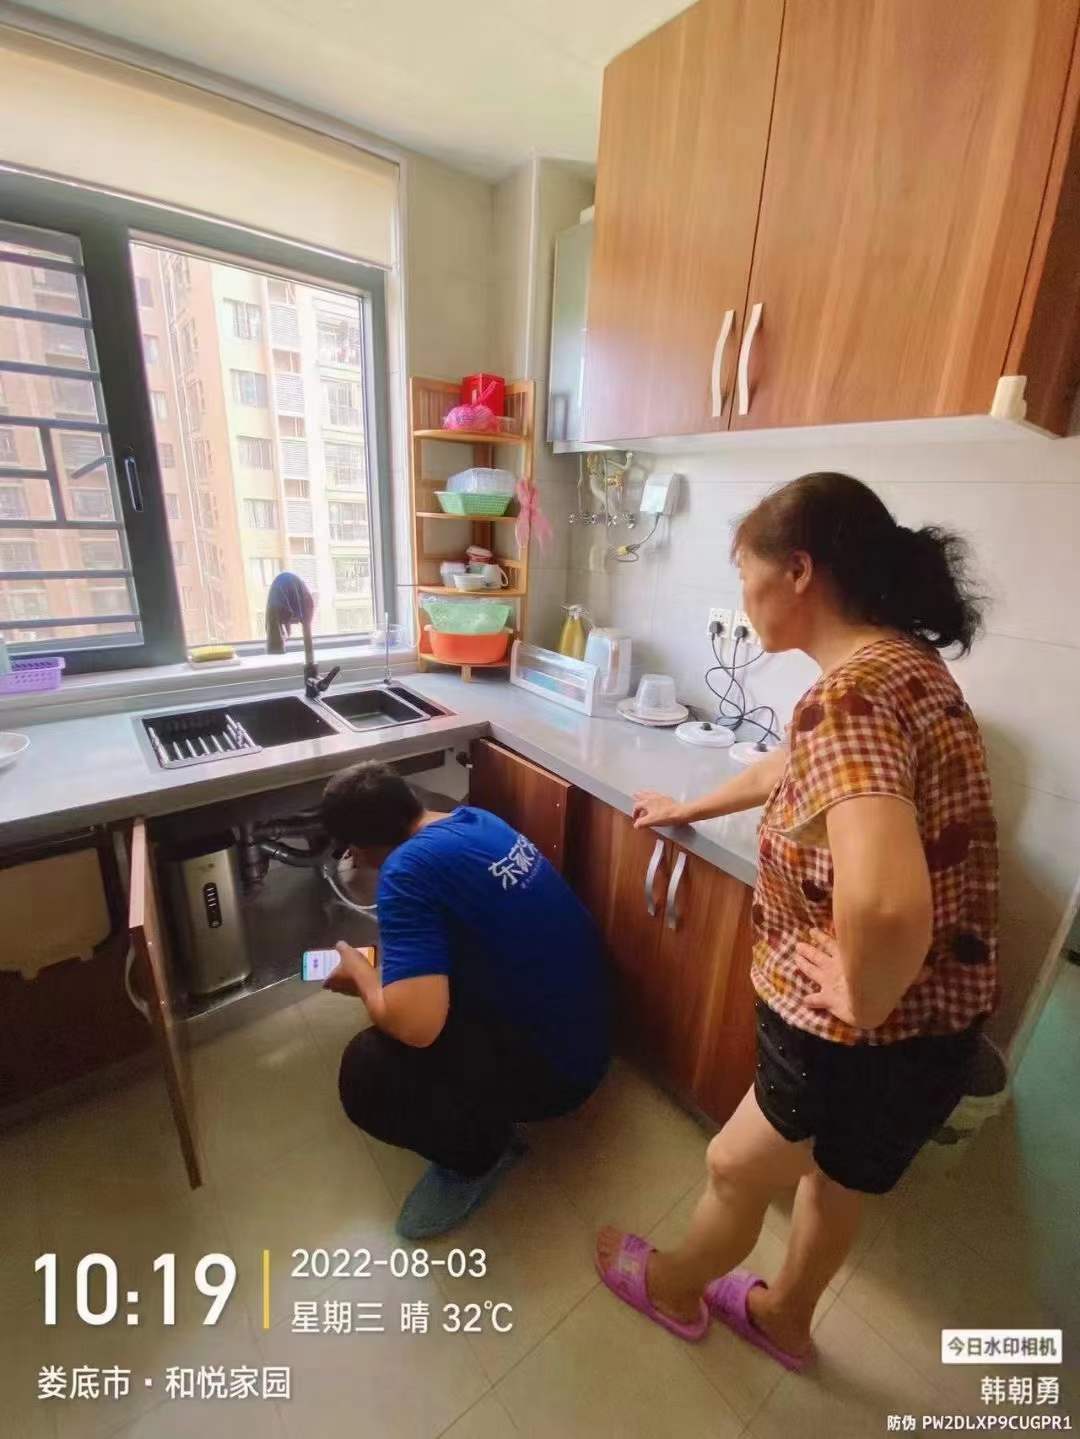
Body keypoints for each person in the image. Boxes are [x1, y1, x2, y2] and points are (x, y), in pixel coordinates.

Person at [596, 471, 998, 1367]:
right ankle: (785, 1317)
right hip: (939, 1024)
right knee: (836, 1175)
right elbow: (794, 765)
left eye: (747, 572)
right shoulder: (901, 664)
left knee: (732, 1166)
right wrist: (690, 807)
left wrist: (861, 994)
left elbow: (887, 901)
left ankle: (671, 1286)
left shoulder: (846, 696)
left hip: (849, 1027)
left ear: (800, 571)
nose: (744, 595)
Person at [320, 761, 609, 1239]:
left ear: (359, 849)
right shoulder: (475, 821)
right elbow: (461, 928)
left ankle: (479, 1157)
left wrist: (363, 976)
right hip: (591, 1034)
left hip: (558, 1078)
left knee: (368, 1070)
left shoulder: (404, 873)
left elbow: (416, 1027)